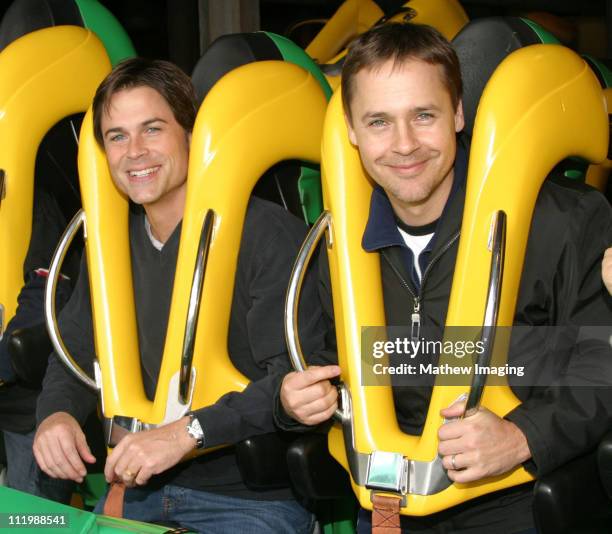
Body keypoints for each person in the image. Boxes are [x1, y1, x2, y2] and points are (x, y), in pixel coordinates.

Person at [277, 22, 612, 533]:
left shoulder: (564, 221)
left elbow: (602, 361)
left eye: (423, 115)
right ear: (350, 130)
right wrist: (296, 399)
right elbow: (328, 357)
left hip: (512, 497)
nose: (404, 144)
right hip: (389, 505)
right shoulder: (338, 241)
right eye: (378, 122)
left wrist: (523, 436)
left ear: (457, 113)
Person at [33, 58, 325, 534]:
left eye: (152, 129)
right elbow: (77, 353)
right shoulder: (110, 246)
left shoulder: (267, 233)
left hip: (247, 500)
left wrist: (187, 434)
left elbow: (294, 381)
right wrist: (56, 416)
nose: (134, 152)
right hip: (138, 490)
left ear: (193, 135)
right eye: (117, 136)